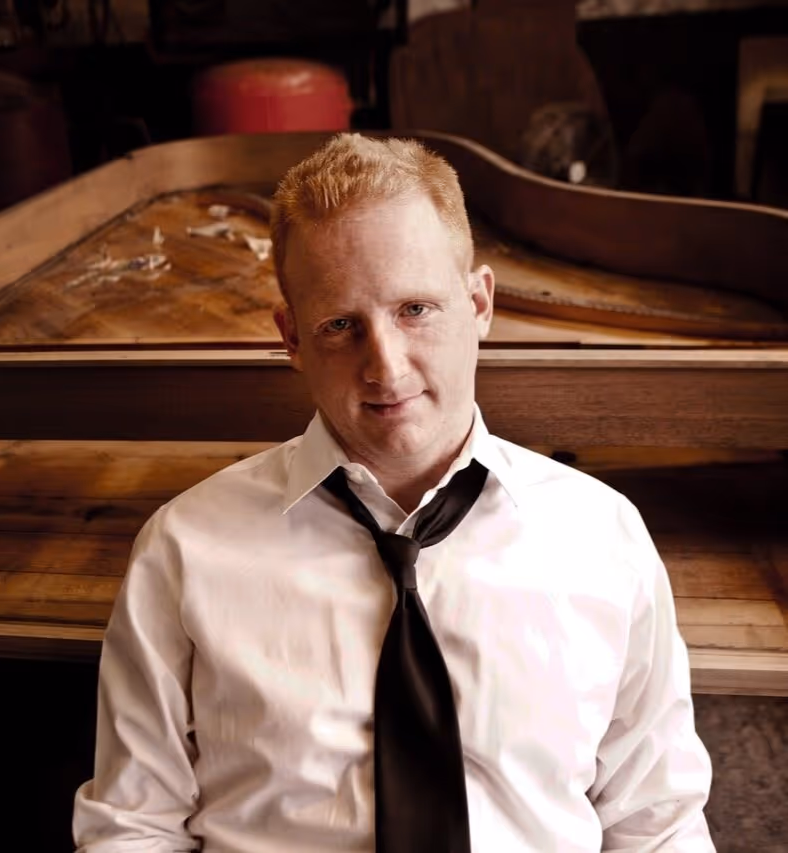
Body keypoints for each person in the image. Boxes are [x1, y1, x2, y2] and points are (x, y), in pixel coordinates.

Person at [73, 133, 715, 852]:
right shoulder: (184, 548)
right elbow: (132, 827)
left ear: (478, 302)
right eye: (340, 325)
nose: (384, 366)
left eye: (415, 309)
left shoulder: (603, 537)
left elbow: (655, 821)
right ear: (290, 338)